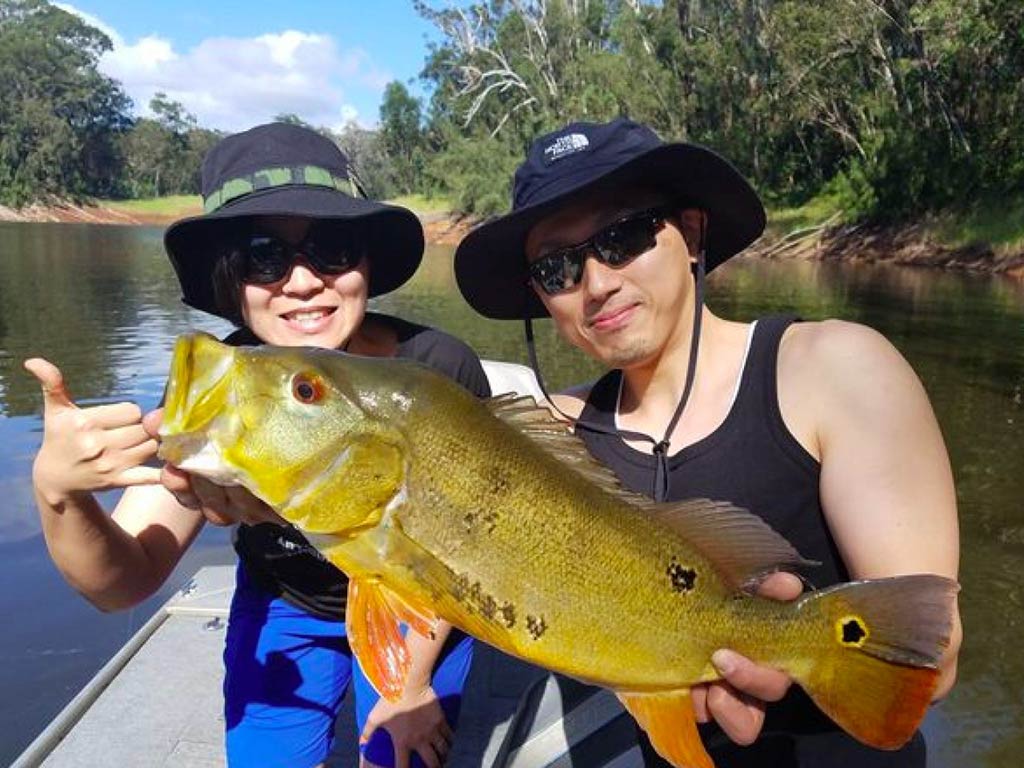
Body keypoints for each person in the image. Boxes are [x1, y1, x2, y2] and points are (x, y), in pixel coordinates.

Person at [453, 117, 961, 766]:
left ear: (690, 233)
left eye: (622, 236)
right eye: (557, 267)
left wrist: (784, 644)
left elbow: (928, 662)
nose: (597, 282)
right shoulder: (549, 436)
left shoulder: (833, 367)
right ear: (540, 297)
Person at [25, 122, 490, 768]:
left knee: (399, 752)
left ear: (365, 261)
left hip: (422, 601)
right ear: (229, 278)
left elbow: (467, 553)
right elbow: (122, 581)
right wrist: (59, 495)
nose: (302, 281)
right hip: (286, 604)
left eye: (331, 246)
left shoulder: (436, 372)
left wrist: (407, 685)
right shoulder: (220, 389)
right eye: (265, 256)